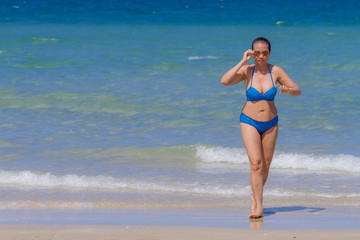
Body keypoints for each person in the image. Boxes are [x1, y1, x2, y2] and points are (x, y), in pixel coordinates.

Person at [220, 37, 301, 219]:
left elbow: (298, 90)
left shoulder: (276, 71)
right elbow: (225, 81)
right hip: (249, 121)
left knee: (265, 166)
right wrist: (243, 60)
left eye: (265, 52)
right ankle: (258, 207)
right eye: (257, 52)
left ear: (269, 53)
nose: (261, 56)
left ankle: (254, 197)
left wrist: (288, 90)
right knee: (256, 164)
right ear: (252, 53)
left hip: (271, 123)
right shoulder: (247, 71)